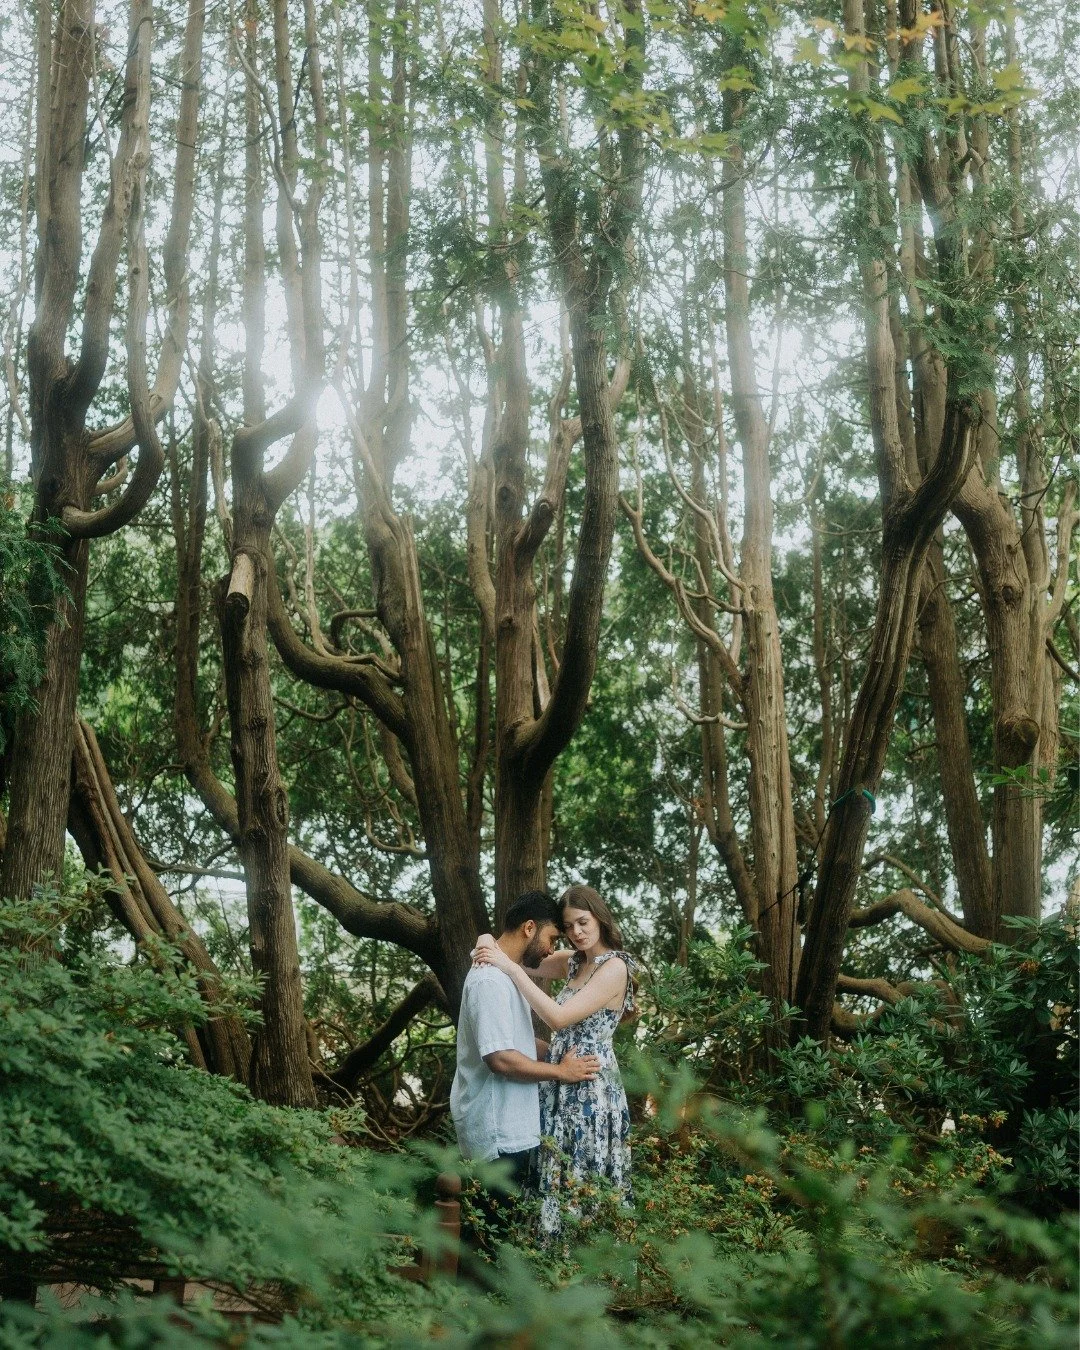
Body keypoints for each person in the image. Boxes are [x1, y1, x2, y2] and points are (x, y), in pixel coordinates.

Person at [472, 884, 637, 1238]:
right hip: (559, 1081)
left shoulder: (615, 967)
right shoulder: (574, 961)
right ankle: (546, 1260)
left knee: (580, 1169)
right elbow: (519, 957)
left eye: (583, 922)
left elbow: (559, 1017)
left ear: (599, 917)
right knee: (553, 1167)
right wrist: (489, 940)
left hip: (589, 1085)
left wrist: (510, 970)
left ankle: (583, 1262)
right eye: (569, 927)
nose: (576, 933)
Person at [450, 891, 601, 1240]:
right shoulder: (490, 979)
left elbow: (511, 1041)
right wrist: (562, 1072)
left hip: (511, 1129)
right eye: (551, 938)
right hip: (497, 1131)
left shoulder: (504, 974)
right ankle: (465, 1295)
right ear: (529, 928)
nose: (551, 949)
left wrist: (555, 1050)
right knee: (487, 1237)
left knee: (496, 1232)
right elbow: (500, 1058)